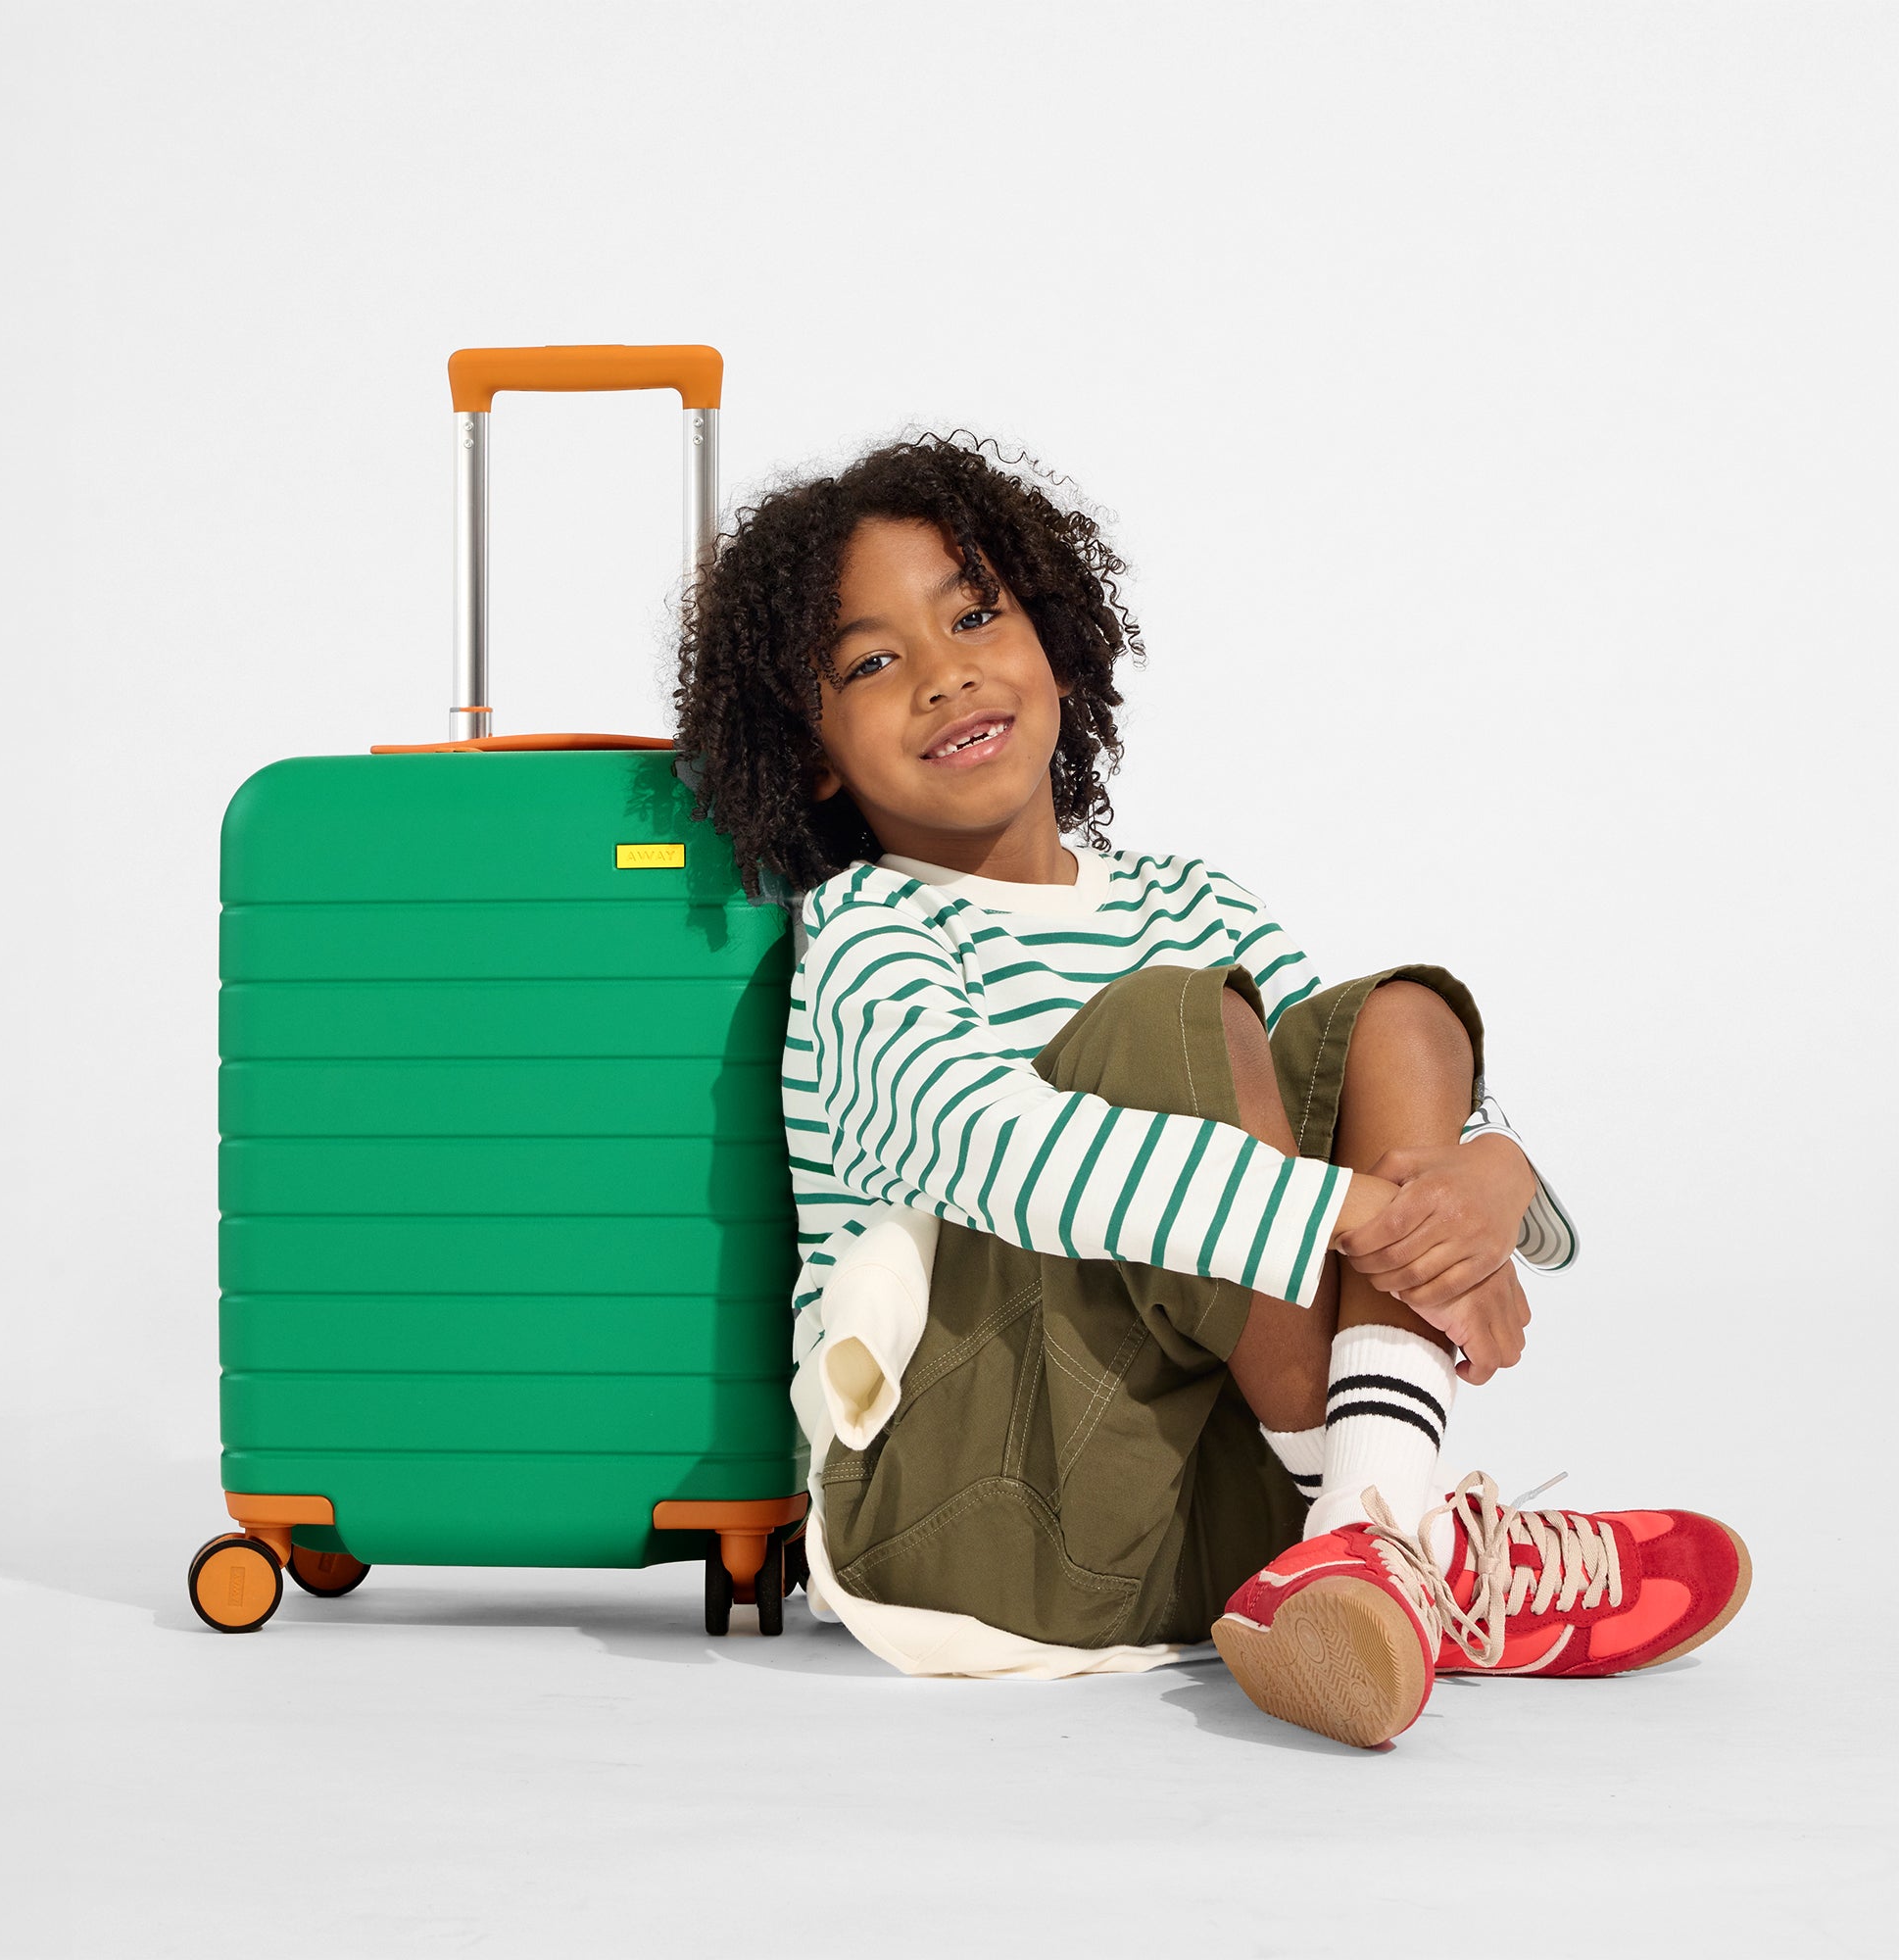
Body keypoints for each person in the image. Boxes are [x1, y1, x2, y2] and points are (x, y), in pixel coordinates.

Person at [669, 433, 1748, 1746]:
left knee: (1400, 1018)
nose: (945, 674)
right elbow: (988, 1144)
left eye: (976, 616)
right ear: (815, 755)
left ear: (1058, 644)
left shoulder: (1193, 899)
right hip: (972, 1513)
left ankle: (1358, 1541)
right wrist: (1354, 1213)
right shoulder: (869, 929)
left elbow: (1363, 1098)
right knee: (1174, 1028)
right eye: (872, 664)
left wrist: (1491, 1174)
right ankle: (1410, 1531)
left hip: (1205, 1512)